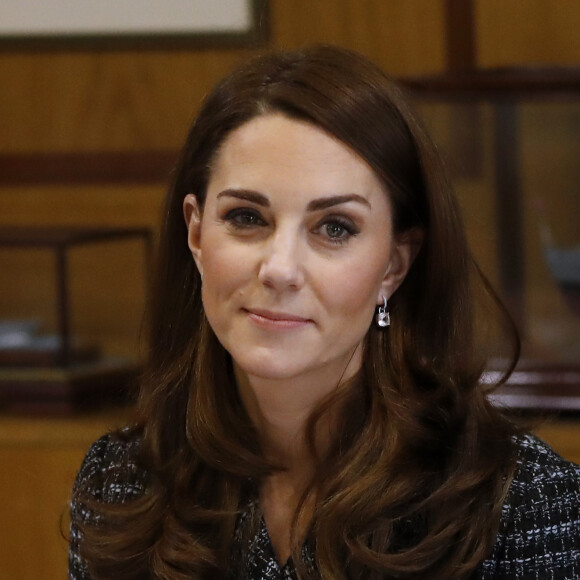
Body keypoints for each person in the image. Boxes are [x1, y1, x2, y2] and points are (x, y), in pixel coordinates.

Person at [68, 45, 580, 580]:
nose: (280, 269)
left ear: (393, 265)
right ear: (196, 233)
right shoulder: (121, 482)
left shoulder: (525, 506)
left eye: (334, 228)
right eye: (246, 217)